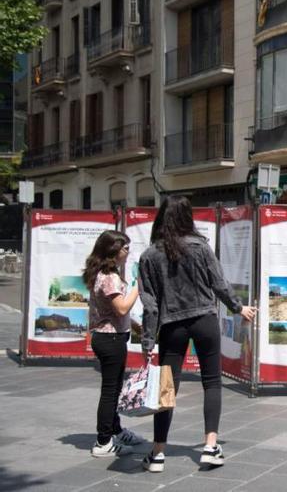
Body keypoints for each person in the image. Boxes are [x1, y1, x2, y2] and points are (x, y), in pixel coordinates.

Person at [138, 196, 256, 473]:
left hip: (171, 326)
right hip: (204, 320)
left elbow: (150, 304)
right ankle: (210, 447)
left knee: (167, 389)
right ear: (187, 217)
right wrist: (238, 308)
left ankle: (157, 453)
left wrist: (147, 342)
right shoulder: (200, 247)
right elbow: (219, 283)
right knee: (212, 382)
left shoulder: (149, 255)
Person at [83, 230, 147, 458]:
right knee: (110, 391)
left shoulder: (104, 274)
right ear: (113, 251)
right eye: (125, 248)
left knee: (115, 388)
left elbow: (112, 312)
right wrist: (139, 286)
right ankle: (103, 442)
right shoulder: (109, 277)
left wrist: (135, 325)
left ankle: (116, 430)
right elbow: (120, 307)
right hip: (110, 339)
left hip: (111, 336)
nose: (128, 252)